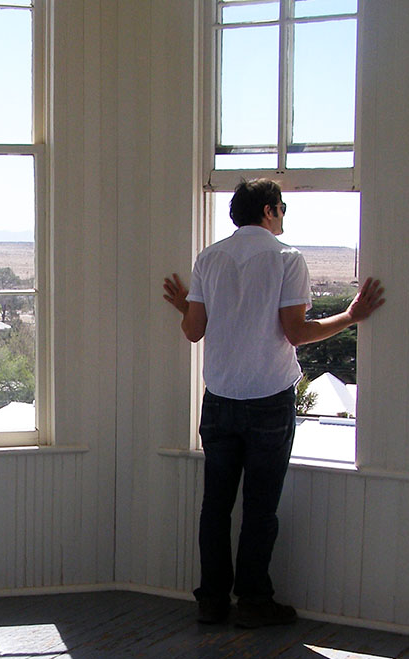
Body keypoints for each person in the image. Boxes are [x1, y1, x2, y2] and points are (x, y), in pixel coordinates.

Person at [162, 179, 385, 627]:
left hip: (220, 399)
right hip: (268, 398)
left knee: (216, 505)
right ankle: (254, 602)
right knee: (260, 507)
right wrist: (351, 317)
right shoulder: (287, 259)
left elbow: (193, 331)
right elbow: (297, 333)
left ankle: (211, 601)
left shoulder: (209, 258)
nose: (283, 215)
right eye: (281, 207)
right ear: (269, 211)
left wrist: (186, 304)